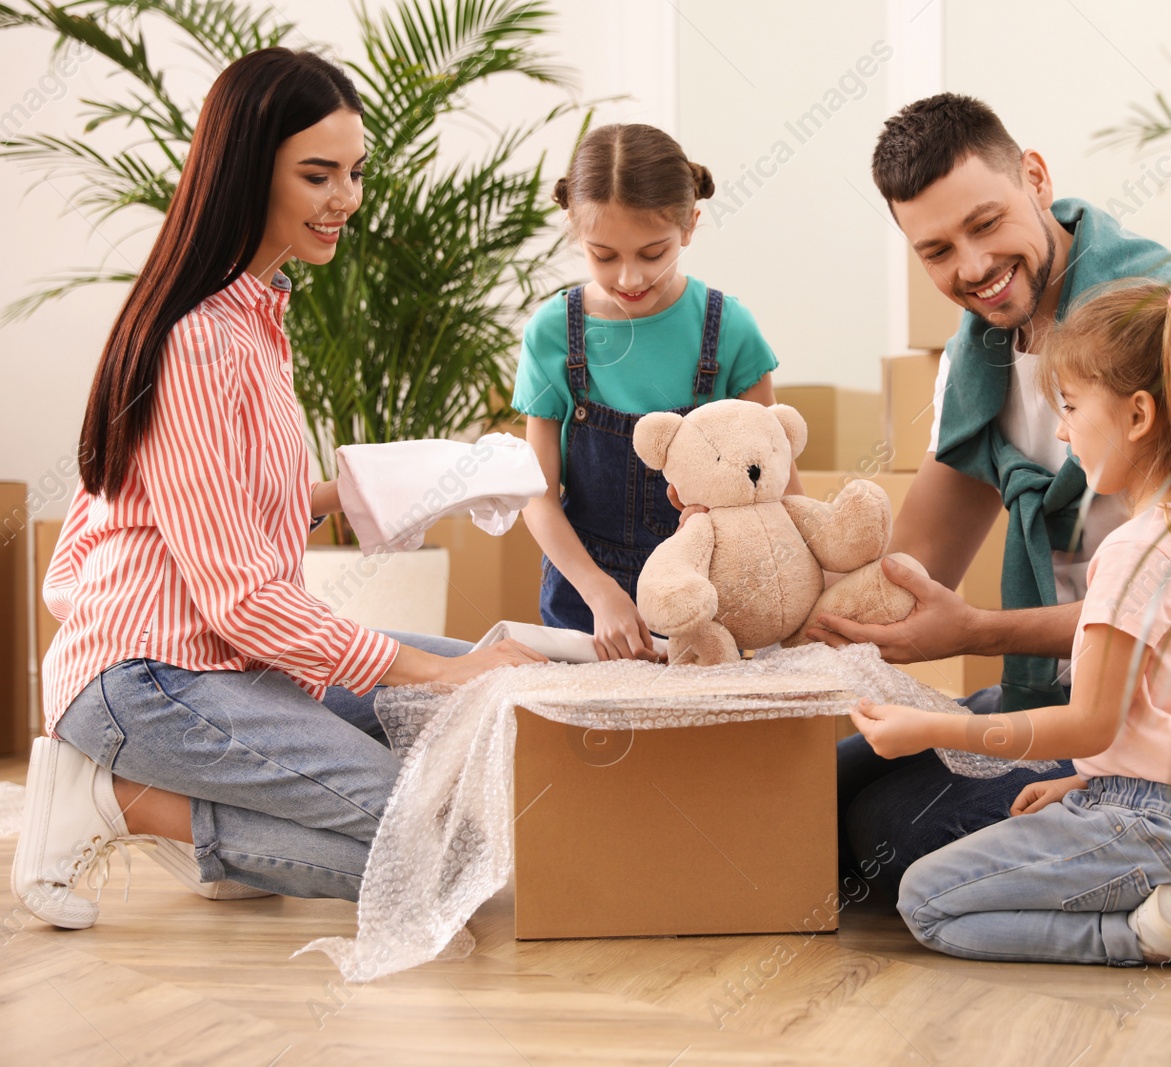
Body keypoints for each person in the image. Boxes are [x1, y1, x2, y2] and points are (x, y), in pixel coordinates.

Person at [13, 49, 545, 929]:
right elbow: (242, 595)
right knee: (448, 850)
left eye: (356, 171)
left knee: (478, 723)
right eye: (318, 174)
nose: (348, 198)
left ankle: (213, 817)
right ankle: (121, 801)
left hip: (232, 661)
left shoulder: (256, 315)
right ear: (246, 172)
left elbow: (234, 501)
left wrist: (420, 480)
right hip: (153, 677)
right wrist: (444, 673)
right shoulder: (199, 340)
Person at [814, 94, 1171, 893]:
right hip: (1079, 693)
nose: (972, 267)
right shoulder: (977, 360)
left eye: (986, 225)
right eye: (937, 249)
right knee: (825, 781)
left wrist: (976, 629)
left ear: (1037, 179)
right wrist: (759, 604)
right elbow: (911, 570)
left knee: (886, 832)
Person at [850, 279, 1171, 966]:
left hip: (1155, 828)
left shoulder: (1133, 549)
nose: (1061, 429)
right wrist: (1084, 782)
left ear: (1139, 414)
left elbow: (1090, 723)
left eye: (1069, 405)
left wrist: (932, 727)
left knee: (926, 899)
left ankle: (1144, 934)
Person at [515, 124, 801, 661]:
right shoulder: (554, 332)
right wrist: (601, 594)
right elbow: (537, 495)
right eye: (603, 255)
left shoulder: (729, 329)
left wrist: (818, 582)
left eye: (653, 253)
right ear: (575, 231)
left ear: (690, 226)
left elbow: (776, 481)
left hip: (715, 594)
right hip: (585, 602)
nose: (628, 277)